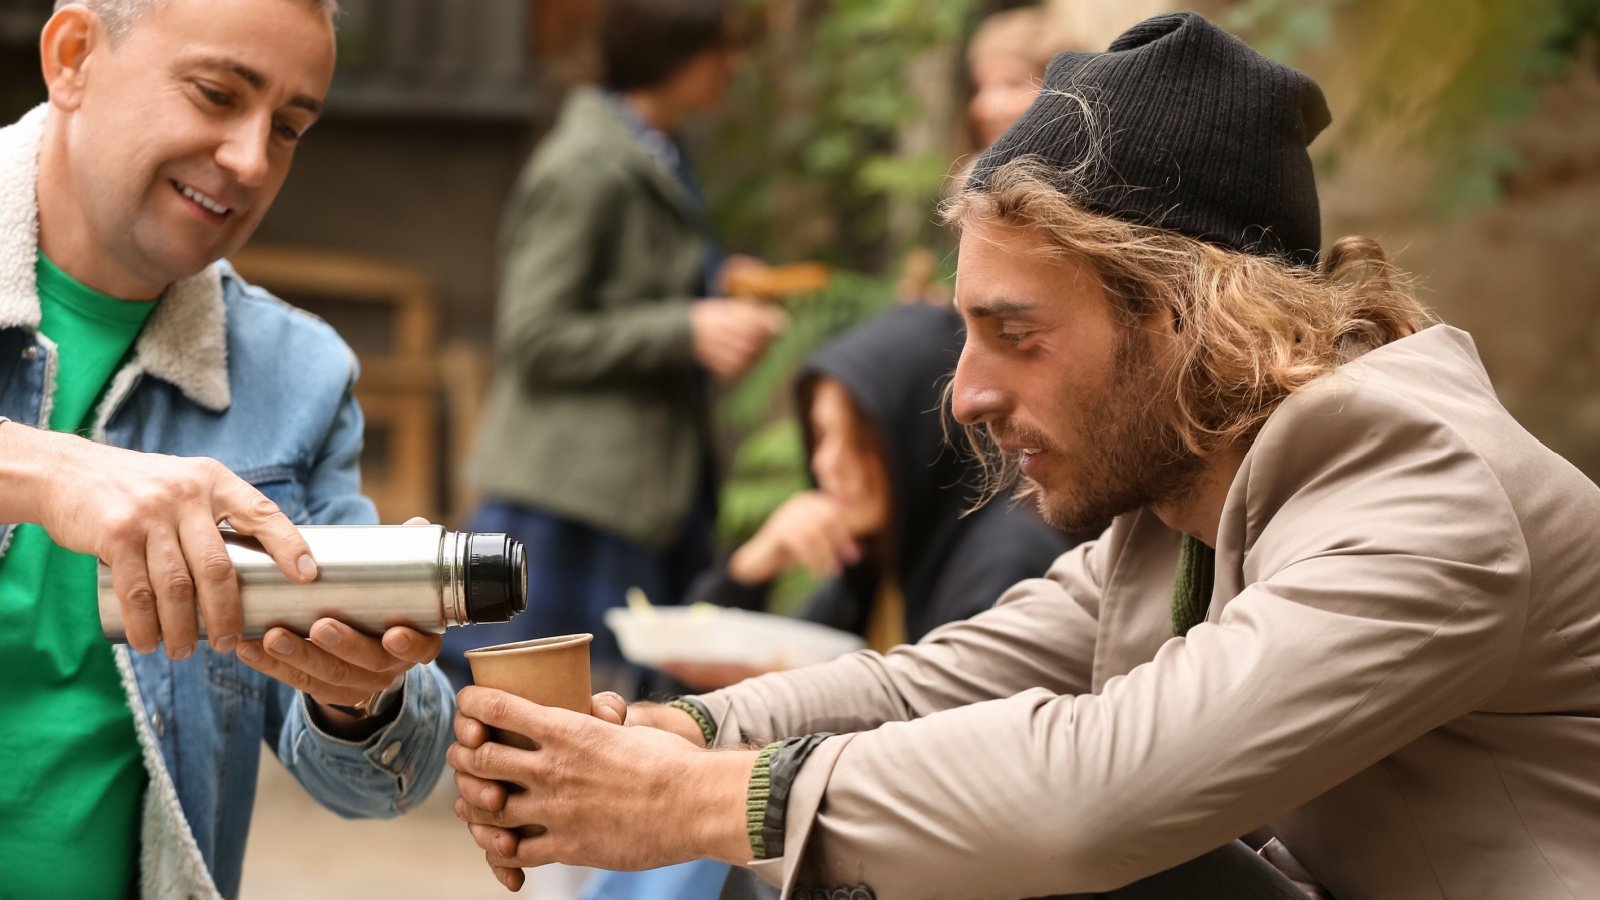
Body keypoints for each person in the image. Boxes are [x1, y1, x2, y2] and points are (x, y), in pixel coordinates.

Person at [445, 12, 1600, 900]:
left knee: (1009, 833)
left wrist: (699, 801)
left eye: (1016, 333)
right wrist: (680, 734)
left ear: (1192, 322)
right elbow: (931, 686)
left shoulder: (1424, 493)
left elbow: (1093, 797)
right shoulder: (1188, 500)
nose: (964, 394)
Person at [0, 1, 454, 897]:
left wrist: (359, 696)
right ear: (73, 56)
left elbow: (376, 782)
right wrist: (45, 469)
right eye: (216, 94)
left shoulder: (300, 376)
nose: (250, 161)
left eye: (288, 128)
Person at [448, 0, 784, 698]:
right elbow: (535, 333)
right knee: (522, 700)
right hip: (570, 490)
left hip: (642, 481)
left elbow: (633, 279)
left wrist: (712, 282)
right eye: (720, 49)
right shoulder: (584, 167)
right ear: (672, 53)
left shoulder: (656, 145)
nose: (733, 66)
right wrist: (687, 328)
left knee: (630, 695)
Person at [665, 302, 1081, 692]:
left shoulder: (1005, 565)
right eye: (822, 435)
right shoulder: (881, 566)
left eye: (861, 441)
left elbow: (958, 745)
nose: (828, 464)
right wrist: (751, 568)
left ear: (924, 443)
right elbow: (678, 684)